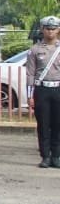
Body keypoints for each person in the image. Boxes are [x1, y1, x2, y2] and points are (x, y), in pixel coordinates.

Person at [25, 15, 60, 169]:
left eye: (53, 28)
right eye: (47, 28)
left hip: (58, 89)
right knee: (43, 124)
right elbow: (30, 74)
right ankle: (45, 156)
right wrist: (30, 95)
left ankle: (56, 156)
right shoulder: (35, 50)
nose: (50, 32)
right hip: (42, 90)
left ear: (58, 30)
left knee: (58, 125)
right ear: (42, 29)